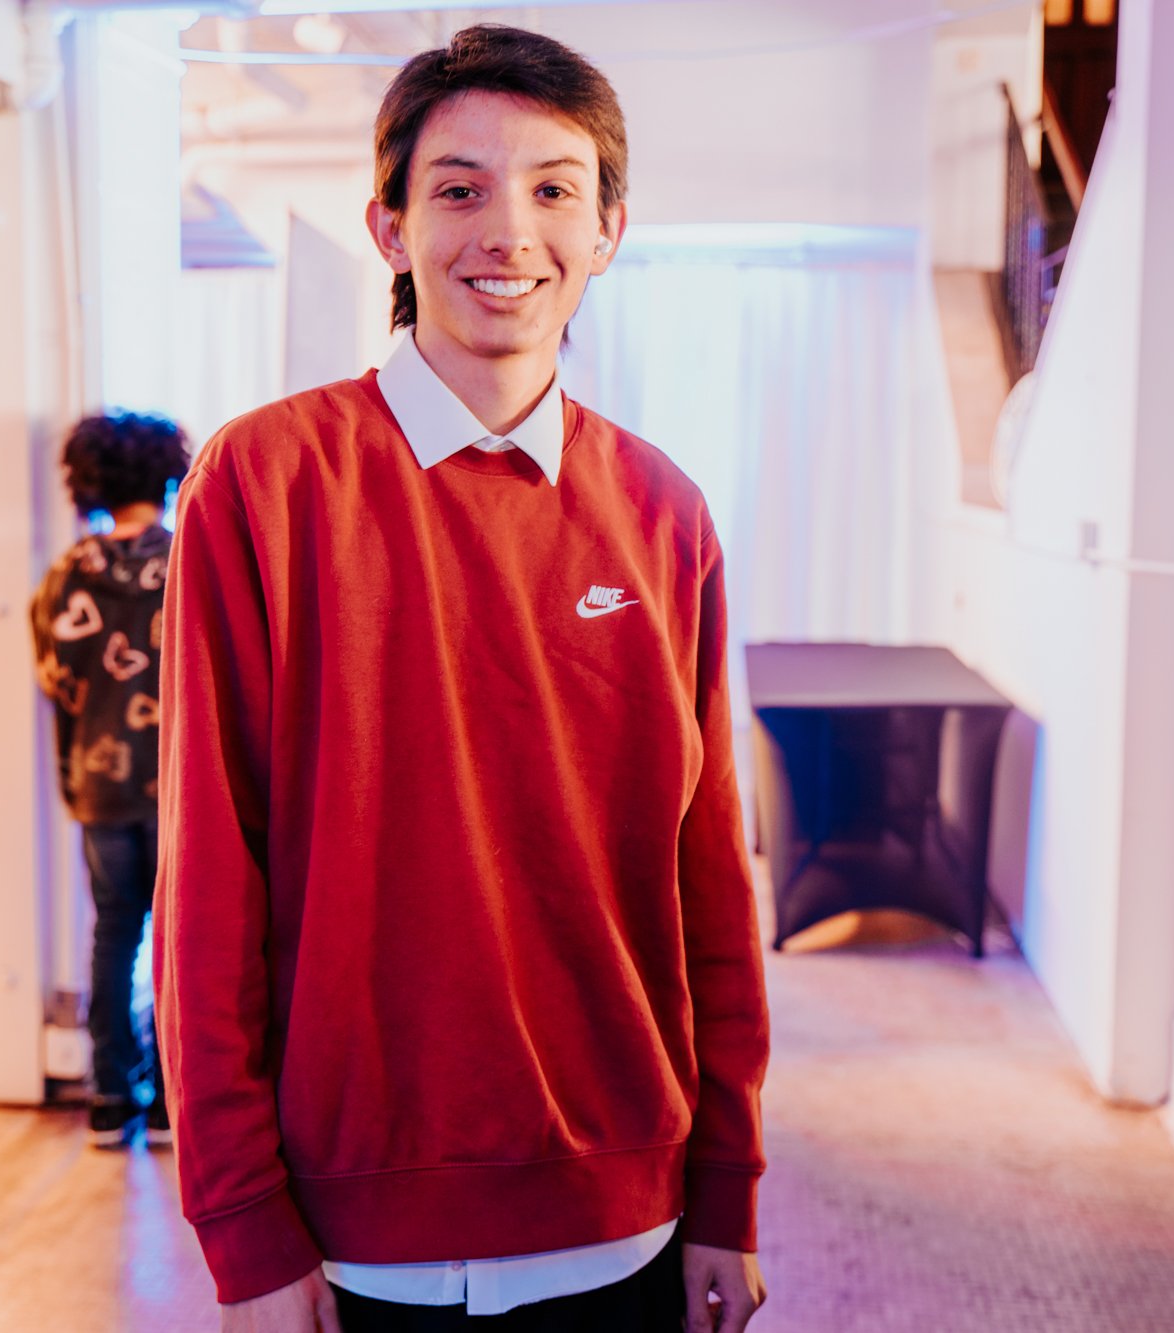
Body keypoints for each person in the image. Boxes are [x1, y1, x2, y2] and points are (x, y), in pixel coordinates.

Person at [158, 25, 770, 1333]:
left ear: (607, 230)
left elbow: (708, 871)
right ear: (389, 228)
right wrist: (242, 1224)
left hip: (625, 1217)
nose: (509, 232)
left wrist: (726, 1182)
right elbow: (208, 875)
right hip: (352, 1235)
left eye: (553, 189)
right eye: (459, 189)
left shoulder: (663, 510)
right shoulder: (262, 482)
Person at [32, 412, 190, 1149]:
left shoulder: (69, 572)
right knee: (180, 937)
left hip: (100, 784)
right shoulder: (188, 555)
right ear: (167, 473)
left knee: (113, 931)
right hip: (178, 781)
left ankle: (107, 1096)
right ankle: (168, 1101)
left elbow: (53, 676)